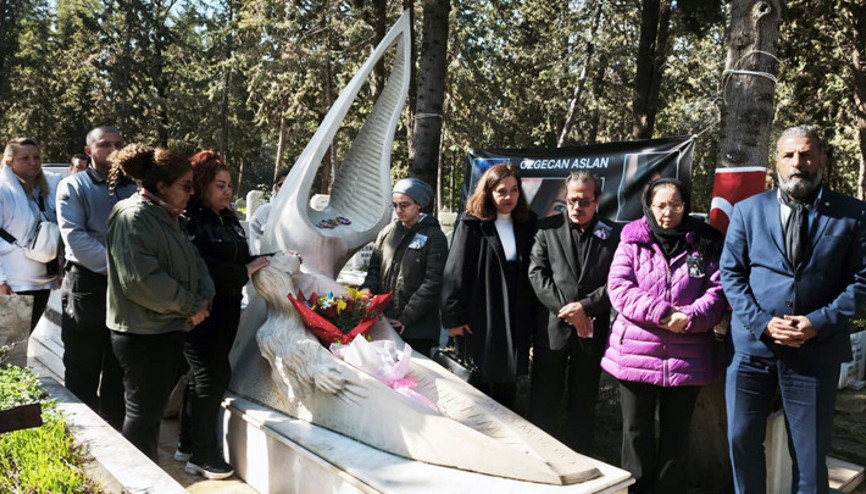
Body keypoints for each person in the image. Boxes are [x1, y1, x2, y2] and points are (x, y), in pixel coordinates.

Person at [721, 126, 866, 494]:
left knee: (810, 457)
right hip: (753, 351)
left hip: (815, 352)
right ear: (776, 163)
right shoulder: (747, 211)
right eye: (788, 156)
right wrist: (763, 323)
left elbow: (861, 281)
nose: (797, 164)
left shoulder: (853, 214)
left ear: (822, 161)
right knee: (741, 442)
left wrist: (818, 323)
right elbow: (731, 274)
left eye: (806, 155)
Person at [602, 178, 727, 493]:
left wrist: (690, 318)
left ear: (686, 205)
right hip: (636, 353)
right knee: (636, 433)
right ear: (649, 206)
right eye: (660, 205)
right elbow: (619, 288)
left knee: (676, 436)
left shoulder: (705, 241)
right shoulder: (632, 240)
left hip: (688, 358)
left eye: (675, 204)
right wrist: (662, 313)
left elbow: (718, 290)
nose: (667, 212)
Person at [105, 144, 214, 462]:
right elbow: (141, 281)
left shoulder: (167, 216)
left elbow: (194, 262)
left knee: (151, 415)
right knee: (142, 417)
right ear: (161, 186)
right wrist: (190, 305)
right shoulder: (132, 217)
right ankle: (136, 481)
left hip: (165, 329)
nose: (192, 193)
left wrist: (203, 297)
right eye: (186, 186)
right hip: (141, 335)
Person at [175, 151, 270, 479]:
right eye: (220, 185)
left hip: (228, 308)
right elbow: (198, 265)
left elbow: (241, 258)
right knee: (211, 377)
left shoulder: (228, 218)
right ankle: (203, 454)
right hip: (201, 310)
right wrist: (242, 270)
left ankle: (187, 443)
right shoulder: (189, 219)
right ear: (201, 185)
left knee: (201, 377)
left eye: (230, 185)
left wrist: (272, 259)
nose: (228, 191)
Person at [527, 171, 620, 454]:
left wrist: (586, 307)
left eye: (584, 202)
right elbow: (536, 274)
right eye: (572, 201)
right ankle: (541, 457)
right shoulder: (547, 229)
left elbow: (617, 281)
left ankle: (578, 458)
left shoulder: (613, 234)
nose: (577, 208)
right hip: (553, 330)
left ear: (598, 200)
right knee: (544, 399)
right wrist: (566, 311)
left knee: (583, 400)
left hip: (591, 331)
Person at [440, 163, 538, 409]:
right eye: (501, 191)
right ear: (488, 192)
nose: (509, 197)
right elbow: (455, 272)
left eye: (514, 190)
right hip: (479, 317)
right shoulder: (472, 223)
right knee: (477, 387)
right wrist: (452, 318)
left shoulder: (528, 222)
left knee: (507, 387)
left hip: (513, 316)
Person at [56, 126, 132, 430]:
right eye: (104, 145)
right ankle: (80, 433)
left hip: (126, 290)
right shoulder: (73, 187)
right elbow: (76, 239)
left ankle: (116, 431)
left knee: (118, 363)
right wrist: (123, 269)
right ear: (89, 151)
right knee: (83, 364)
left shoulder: (134, 188)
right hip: (87, 284)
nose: (112, 150)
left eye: (118, 144)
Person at [361, 178, 448, 357]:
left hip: (417, 328)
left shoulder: (434, 236)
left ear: (419, 205)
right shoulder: (387, 233)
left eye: (404, 205)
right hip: (383, 321)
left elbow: (433, 282)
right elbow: (374, 270)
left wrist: (406, 317)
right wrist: (367, 290)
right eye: (395, 205)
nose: (398, 210)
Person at [0, 138, 62, 331]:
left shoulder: (48, 188)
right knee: (10, 348)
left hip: (44, 283)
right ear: (10, 162)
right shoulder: (3, 191)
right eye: (25, 158)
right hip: (14, 284)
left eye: (36, 157)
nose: (33, 162)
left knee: (19, 342)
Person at [249, 168, 288, 254]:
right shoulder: (264, 212)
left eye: (290, 184)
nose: (285, 188)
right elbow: (258, 249)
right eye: (281, 185)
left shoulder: (303, 215)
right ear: (275, 188)